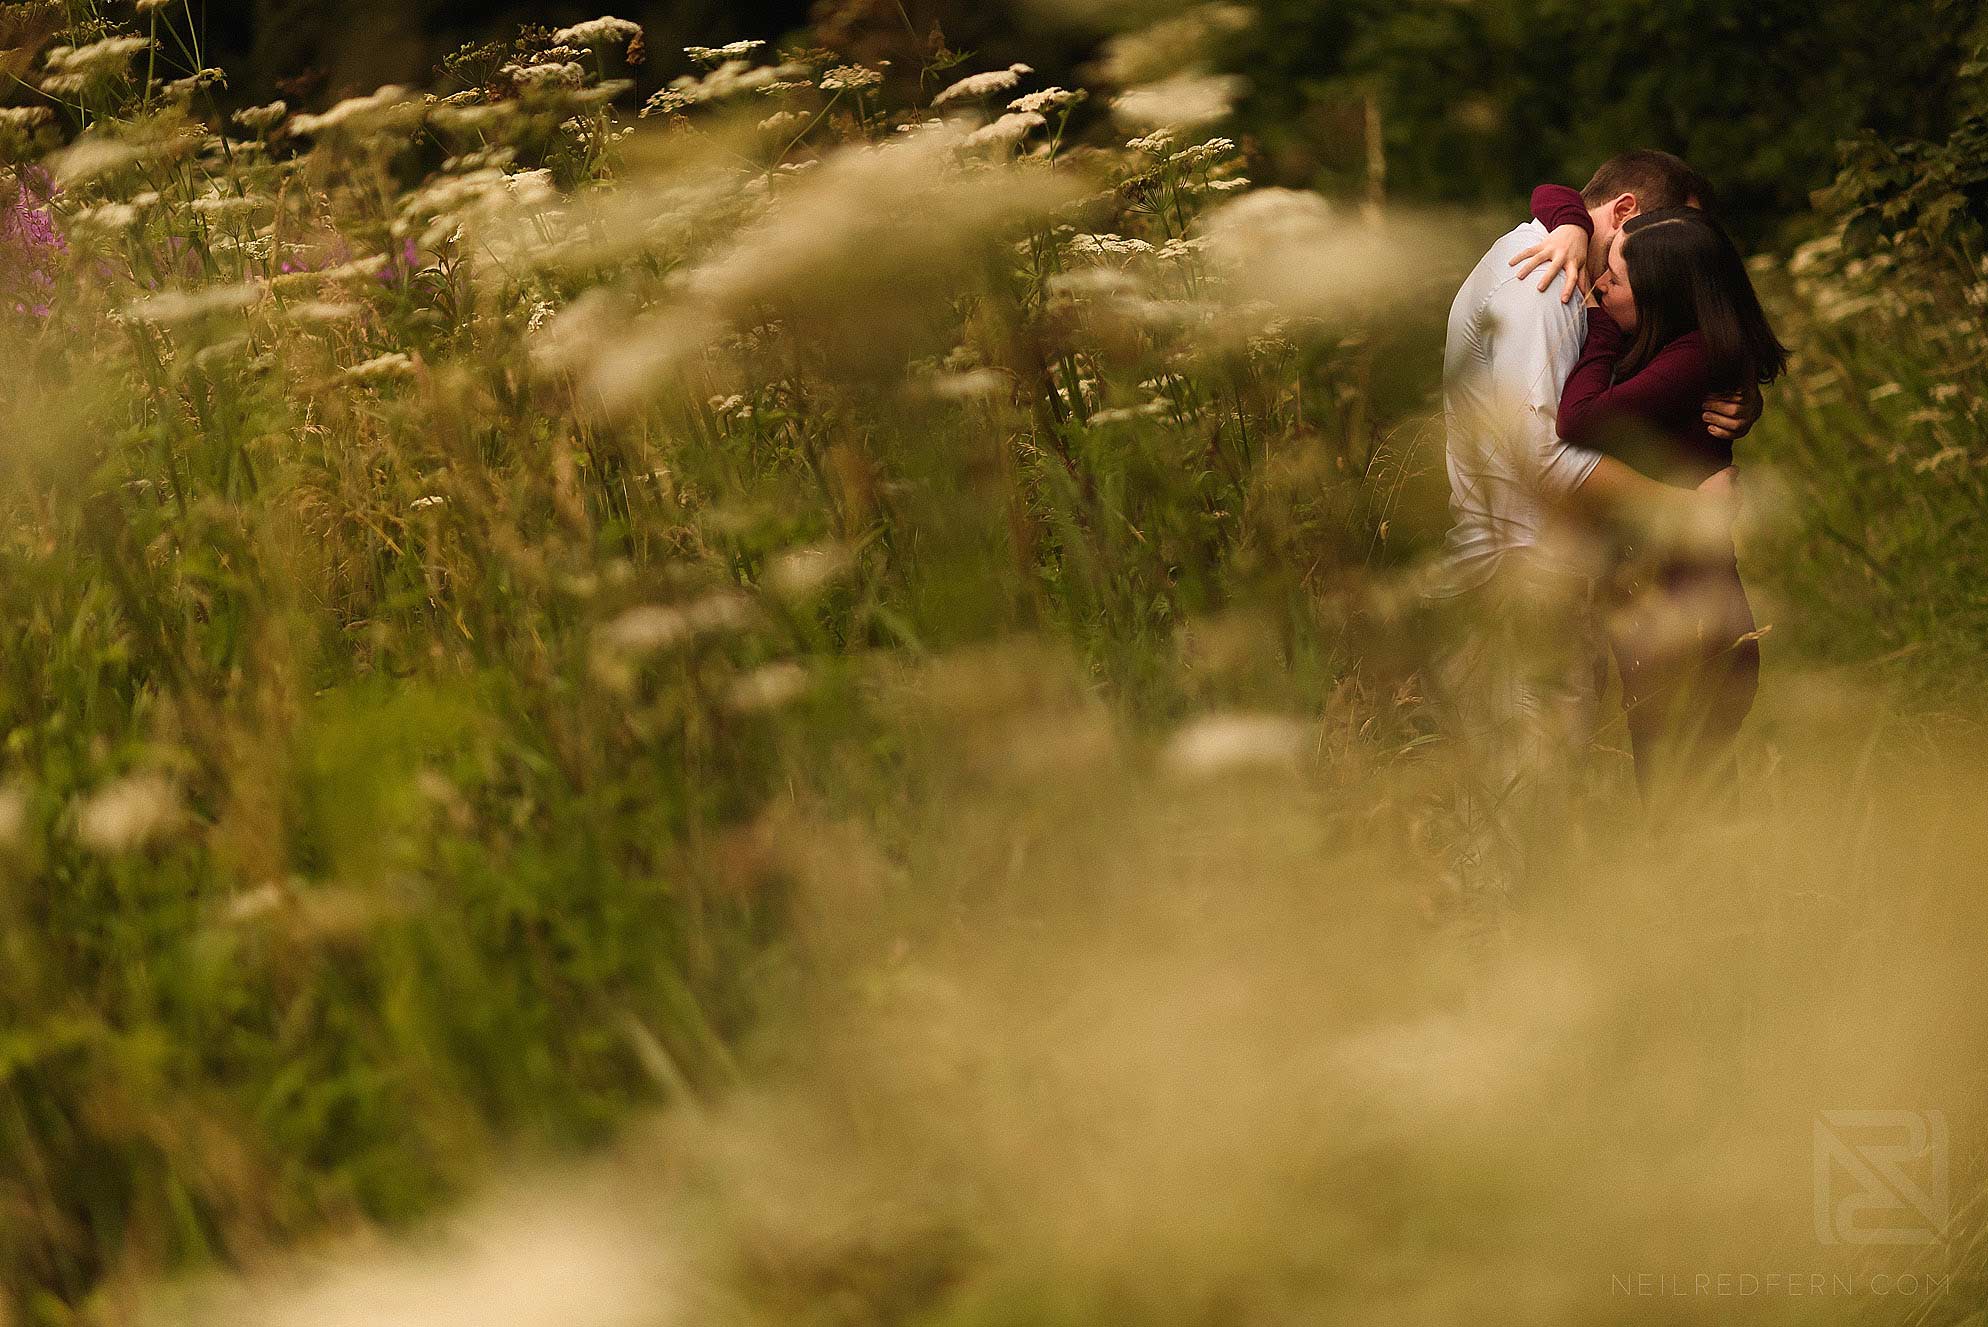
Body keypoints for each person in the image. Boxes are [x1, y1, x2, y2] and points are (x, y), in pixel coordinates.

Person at [1427, 150, 1759, 909]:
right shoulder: (1547, 284)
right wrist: (1685, 510)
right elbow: (1545, 459)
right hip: (1520, 577)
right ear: (1631, 215)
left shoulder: (1541, 258)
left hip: (1529, 575)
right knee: (1522, 832)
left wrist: (1736, 393)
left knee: (1527, 817)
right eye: (1671, 235)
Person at [1541, 203, 1789, 793]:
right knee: (1679, 793)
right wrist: (1574, 227)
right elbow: (1552, 191)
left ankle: (1715, 887)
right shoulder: (1676, 346)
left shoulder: (1695, 356)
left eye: (1616, 280)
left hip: (1693, 622)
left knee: (1683, 799)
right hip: (1665, 610)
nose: (1599, 282)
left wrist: (1597, 325)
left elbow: (1578, 420)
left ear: (1665, 299)